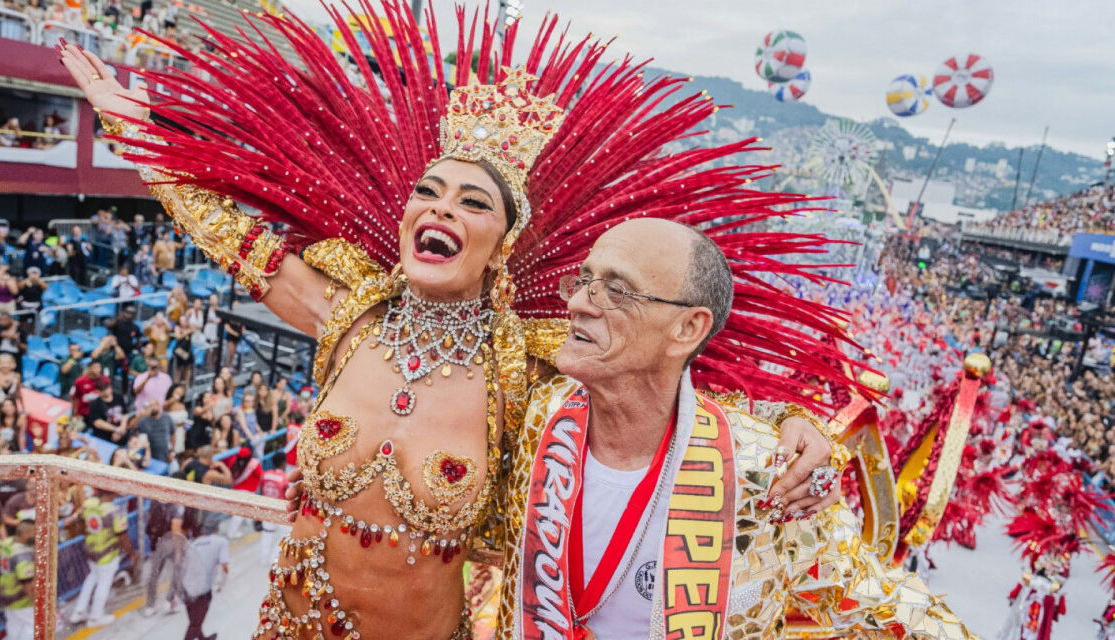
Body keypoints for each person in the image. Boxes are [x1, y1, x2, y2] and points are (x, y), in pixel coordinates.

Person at [61, 16, 854, 637]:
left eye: (472, 203)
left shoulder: (526, 374)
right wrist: (141, 132)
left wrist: (792, 424)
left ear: (502, 245)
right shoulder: (351, 314)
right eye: (428, 192)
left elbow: (659, 392)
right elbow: (230, 236)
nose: (440, 207)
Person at [509, 219, 975, 639]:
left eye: (616, 290)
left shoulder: (766, 471)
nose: (575, 303)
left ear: (688, 328)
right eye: (584, 280)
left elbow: (881, 606)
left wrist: (791, 424)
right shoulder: (537, 414)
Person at [68, 493, 130, 627]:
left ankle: (78, 612)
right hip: (107, 553)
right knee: (104, 583)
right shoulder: (116, 511)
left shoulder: (89, 503)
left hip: (91, 550)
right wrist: (131, 553)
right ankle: (95, 618)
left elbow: (78, 515)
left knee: (92, 578)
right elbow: (123, 536)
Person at [142, 495, 190, 617]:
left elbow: (149, 520)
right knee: (180, 568)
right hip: (169, 543)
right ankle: (171, 602)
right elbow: (175, 529)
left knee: (154, 574)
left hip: (156, 542)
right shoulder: (176, 505)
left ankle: (150, 606)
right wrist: (179, 552)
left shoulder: (154, 501)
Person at [179, 520, 228, 640]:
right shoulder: (219, 542)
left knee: (195, 620)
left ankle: (202, 638)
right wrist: (220, 584)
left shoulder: (188, 546)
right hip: (202, 591)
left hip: (186, 590)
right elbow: (224, 567)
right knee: (195, 624)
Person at [0, 521, 37, 640]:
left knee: (15, 627)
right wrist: (36, 600)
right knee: (34, 626)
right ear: (25, 534)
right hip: (21, 598)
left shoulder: (8, 543)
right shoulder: (22, 553)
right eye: (35, 532)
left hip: (6, 594)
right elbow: (27, 581)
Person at [259, 450, 288, 564]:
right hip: (279, 510)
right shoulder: (284, 478)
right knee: (285, 534)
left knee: (267, 533)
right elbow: (287, 496)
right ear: (284, 463)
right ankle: (273, 558)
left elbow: (261, 491)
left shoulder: (265, 475)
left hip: (266, 509)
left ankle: (263, 558)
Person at [88, 382, 130, 447]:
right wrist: (116, 430)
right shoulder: (95, 404)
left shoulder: (118, 397)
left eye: (106, 388)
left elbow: (125, 413)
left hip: (122, 433)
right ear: (98, 391)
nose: (105, 391)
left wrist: (122, 428)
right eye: (101, 389)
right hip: (105, 437)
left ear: (110, 387)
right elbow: (97, 422)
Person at [135, 398, 174, 466]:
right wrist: (140, 415)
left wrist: (172, 451)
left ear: (159, 406)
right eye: (151, 405)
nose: (153, 407)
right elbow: (132, 428)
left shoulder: (166, 417)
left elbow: (173, 434)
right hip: (149, 455)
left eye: (155, 405)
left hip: (165, 454)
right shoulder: (143, 420)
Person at [173, 317, 195, 387]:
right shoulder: (177, 328)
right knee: (179, 368)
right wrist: (186, 332)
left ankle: (187, 385)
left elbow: (193, 330)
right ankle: (176, 385)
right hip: (180, 351)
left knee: (188, 369)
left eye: (184, 321)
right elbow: (178, 337)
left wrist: (188, 322)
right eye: (181, 321)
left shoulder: (189, 328)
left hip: (187, 350)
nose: (183, 322)